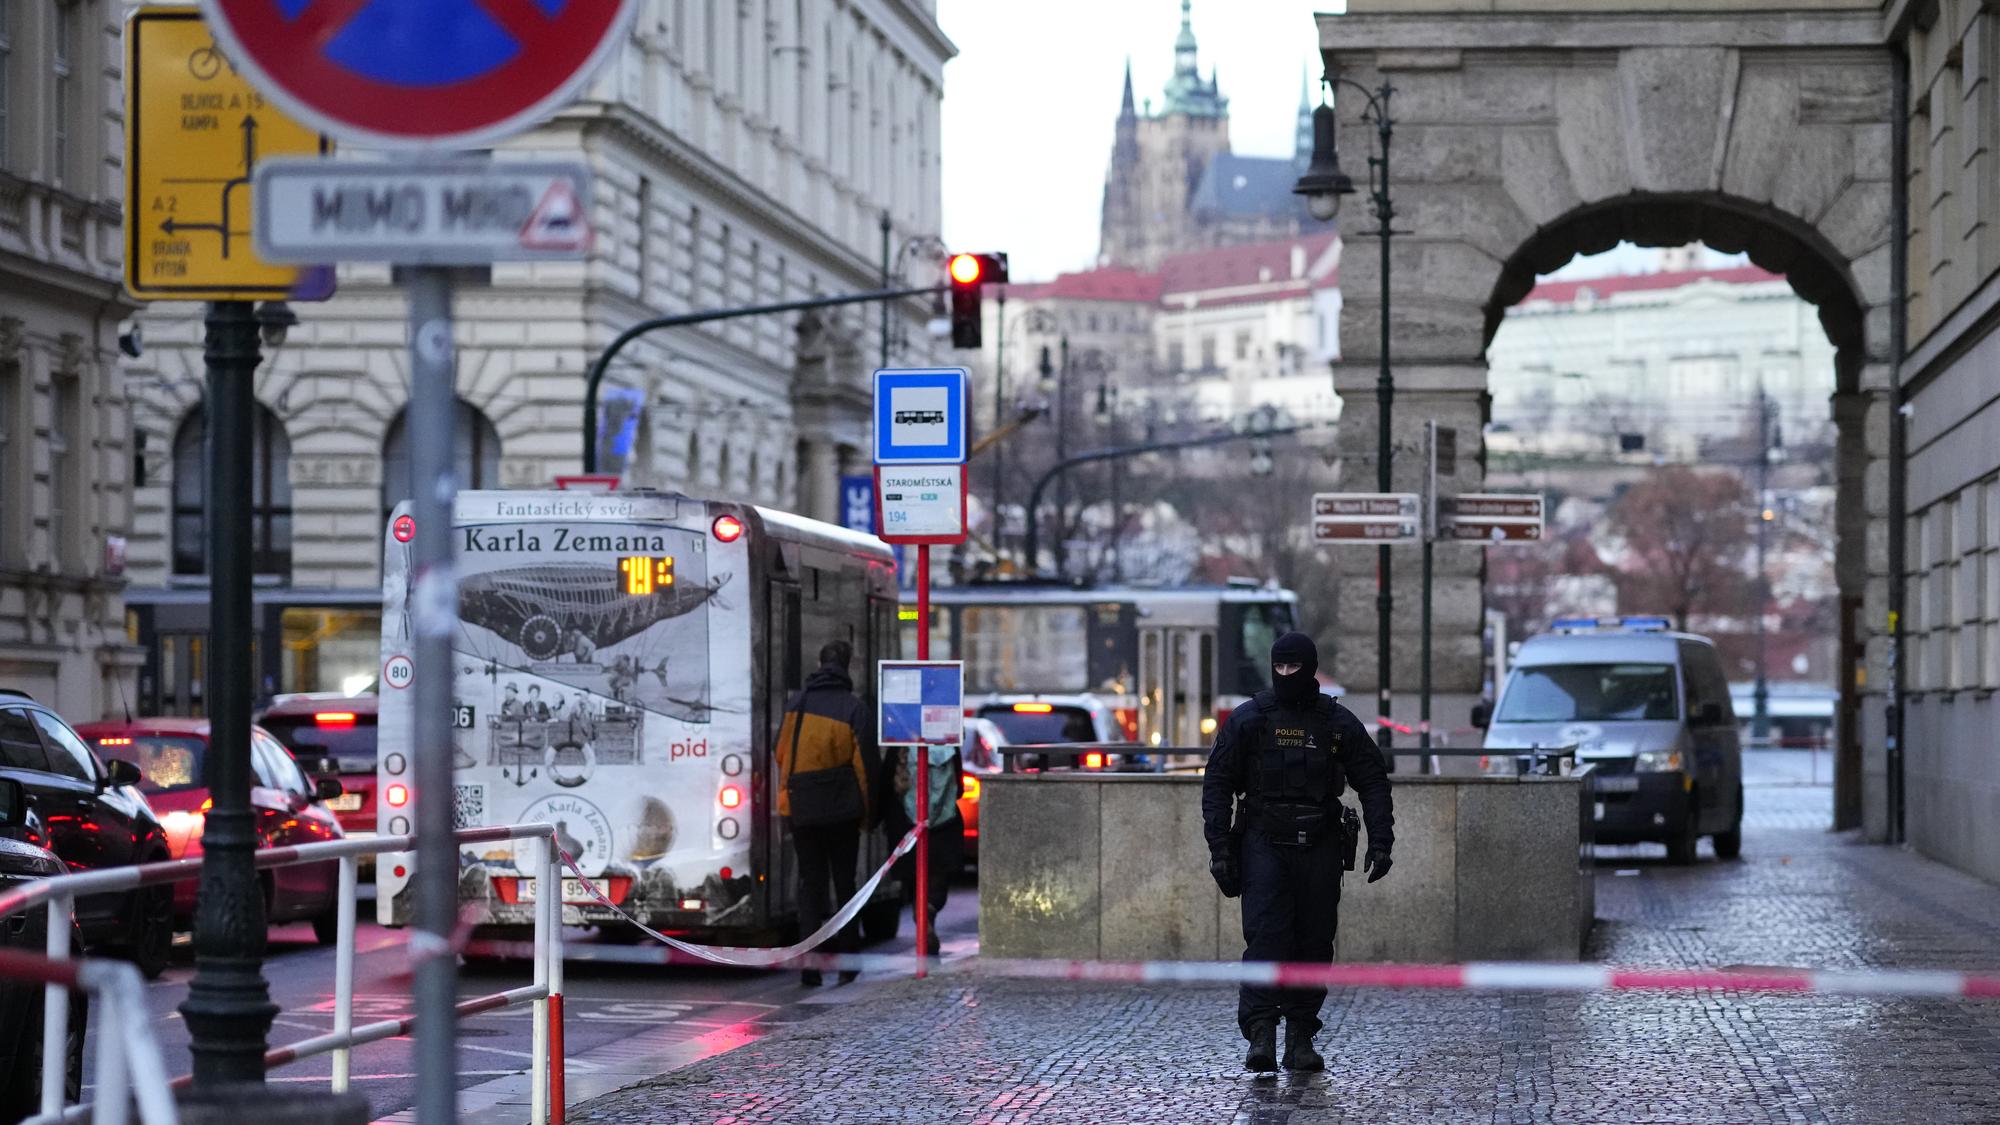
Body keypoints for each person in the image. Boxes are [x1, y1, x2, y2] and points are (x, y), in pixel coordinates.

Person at [1201, 631, 1393, 1073]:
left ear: (1309, 668)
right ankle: (1262, 1035)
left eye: (1294, 667)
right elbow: (1218, 784)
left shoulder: (1337, 723)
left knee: (1313, 943)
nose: (1287, 675)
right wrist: (1221, 848)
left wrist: (1382, 840)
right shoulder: (1249, 719)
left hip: (1320, 844)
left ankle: (1301, 1038)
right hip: (1263, 843)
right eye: (1280, 667)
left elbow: (1373, 781)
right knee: (1266, 940)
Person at [775, 640, 874, 987]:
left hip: (803, 810)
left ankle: (809, 967)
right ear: (847, 667)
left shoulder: (797, 705)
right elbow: (863, 769)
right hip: (843, 812)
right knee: (844, 885)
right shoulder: (853, 708)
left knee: (810, 886)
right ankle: (847, 963)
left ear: (819, 663)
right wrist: (866, 813)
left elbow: (781, 753)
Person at [880, 742, 963, 956]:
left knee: (915, 878)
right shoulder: (950, 745)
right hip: (944, 826)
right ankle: (929, 909)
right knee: (938, 880)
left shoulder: (898, 747)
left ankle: (921, 912)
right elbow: (960, 789)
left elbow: (884, 786)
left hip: (906, 828)